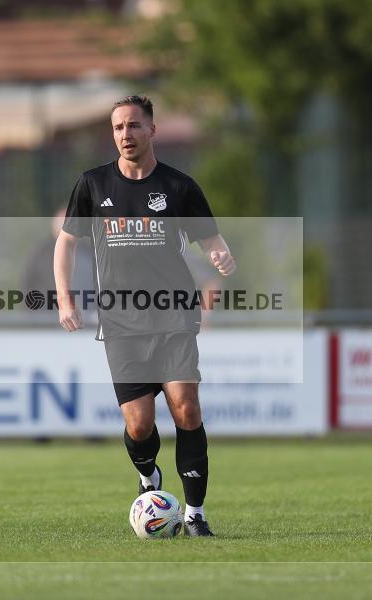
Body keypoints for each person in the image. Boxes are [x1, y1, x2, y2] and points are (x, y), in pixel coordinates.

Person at [54, 95, 236, 537]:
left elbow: (208, 238)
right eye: (118, 128)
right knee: (138, 424)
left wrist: (219, 255)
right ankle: (148, 477)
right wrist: (65, 299)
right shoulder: (93, 185)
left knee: (186, 409)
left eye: (134, 126)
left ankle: (194, 513)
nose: (126, 135)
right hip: (121, 323)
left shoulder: (178, 187)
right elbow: (66, 243)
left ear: (152, 130)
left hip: (173, 316)